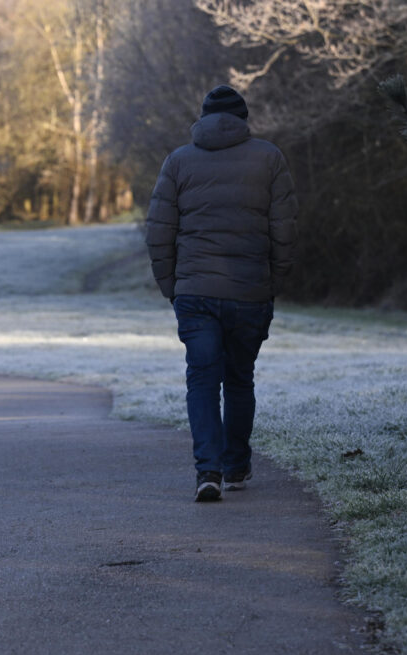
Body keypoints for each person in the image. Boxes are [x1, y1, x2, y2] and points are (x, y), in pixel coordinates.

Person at [145, 85, 298, 502]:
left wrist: (171, 287)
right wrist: (273, 282)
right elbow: (284, 230)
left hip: (195, 290)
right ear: (243, 118)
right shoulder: (269, 158)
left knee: (201, 379)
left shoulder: (178, 161)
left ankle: (208, 471)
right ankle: (236, 466)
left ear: (203, 118)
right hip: (249, 290)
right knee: (239, 380)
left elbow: (159, 232)